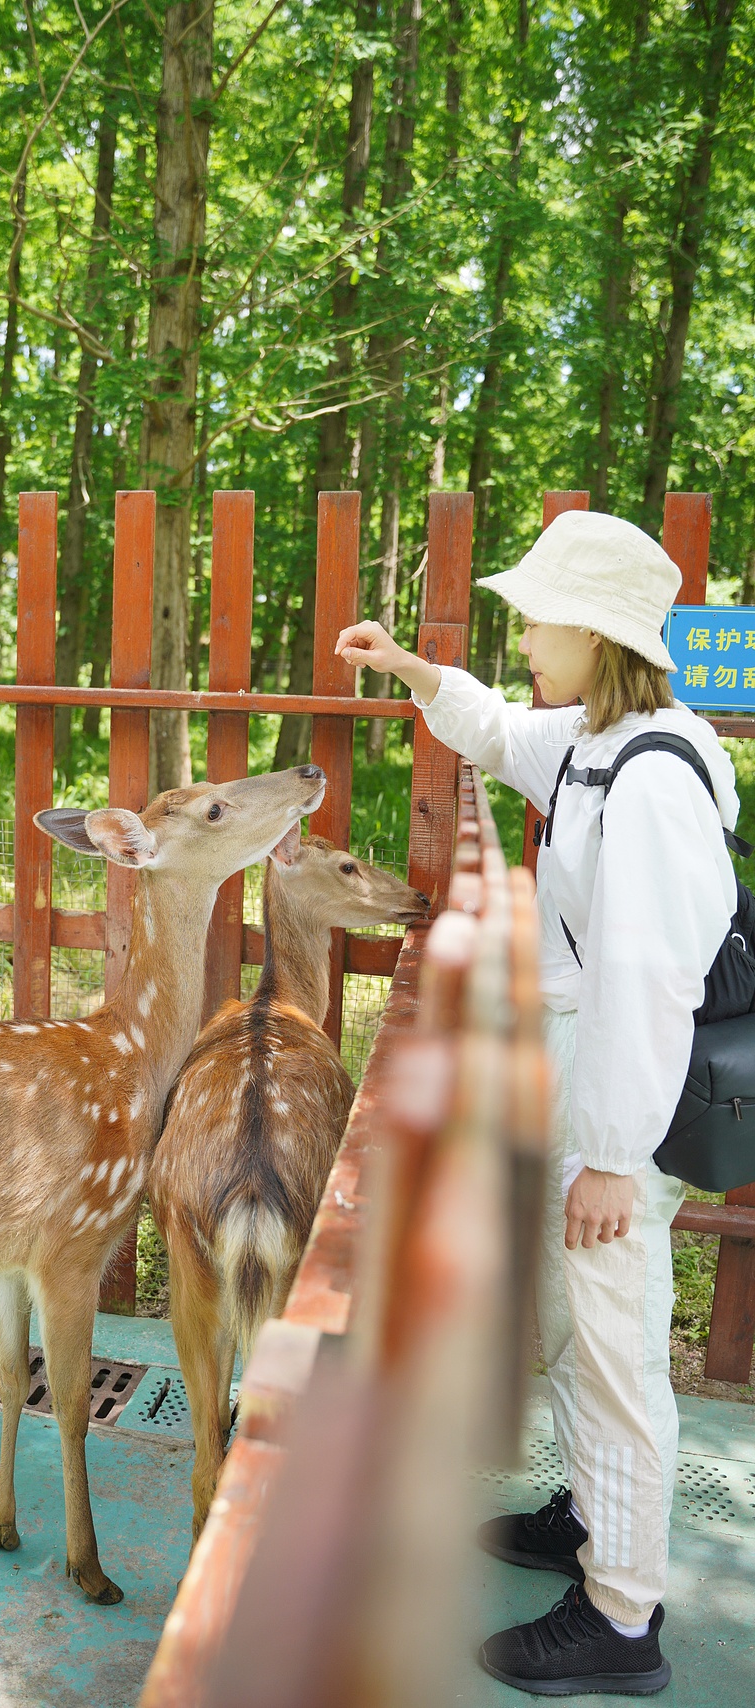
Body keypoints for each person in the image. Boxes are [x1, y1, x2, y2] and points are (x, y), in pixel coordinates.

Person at [336, 510, 739, 1697]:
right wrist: (413, 672)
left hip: (621, 1081)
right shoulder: (594, 737)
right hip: (584, 1062)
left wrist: (610, 1155)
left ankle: (621, 1616)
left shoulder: (653, 776)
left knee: (612, 1334)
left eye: (537, 615)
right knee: (571, 1308)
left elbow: (647, 979)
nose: (522, 632)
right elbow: (502, 731)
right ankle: (589, 1516)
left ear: (595, 630)